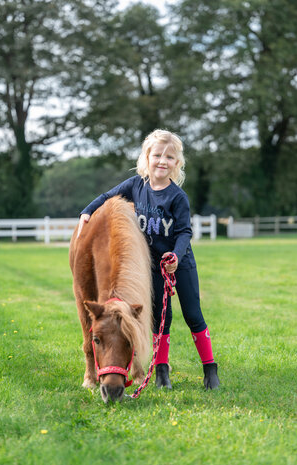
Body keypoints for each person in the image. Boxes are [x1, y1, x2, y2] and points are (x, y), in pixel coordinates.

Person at [77, 129, 220, 390]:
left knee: (193, 315)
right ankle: (162, 371)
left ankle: (210, 369)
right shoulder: (136, 185)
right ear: (147, 157)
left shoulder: (177, 197)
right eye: (157, 155)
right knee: (160, 319)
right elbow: (107, 197)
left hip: (180, 263)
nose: (162, 161)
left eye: (170, 157)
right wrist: (87, 211)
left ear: (177, 164)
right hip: (152, 266)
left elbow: (185, 231)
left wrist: (176, 255)